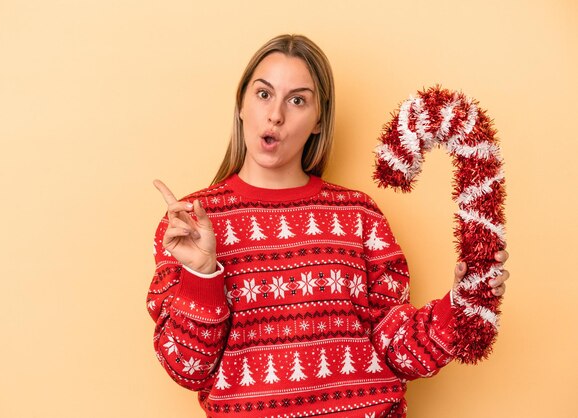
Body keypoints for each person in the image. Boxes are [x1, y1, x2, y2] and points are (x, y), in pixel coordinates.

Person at [146, 34, 509, 418]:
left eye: (297, 100)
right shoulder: (191, 224)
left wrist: (463, 306)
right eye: (264, 94)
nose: (275, 115)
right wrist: (201, 274)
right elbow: (187, 368)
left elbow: (396, 349)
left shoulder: (358, 215)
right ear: (241, 104)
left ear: (319, 120)